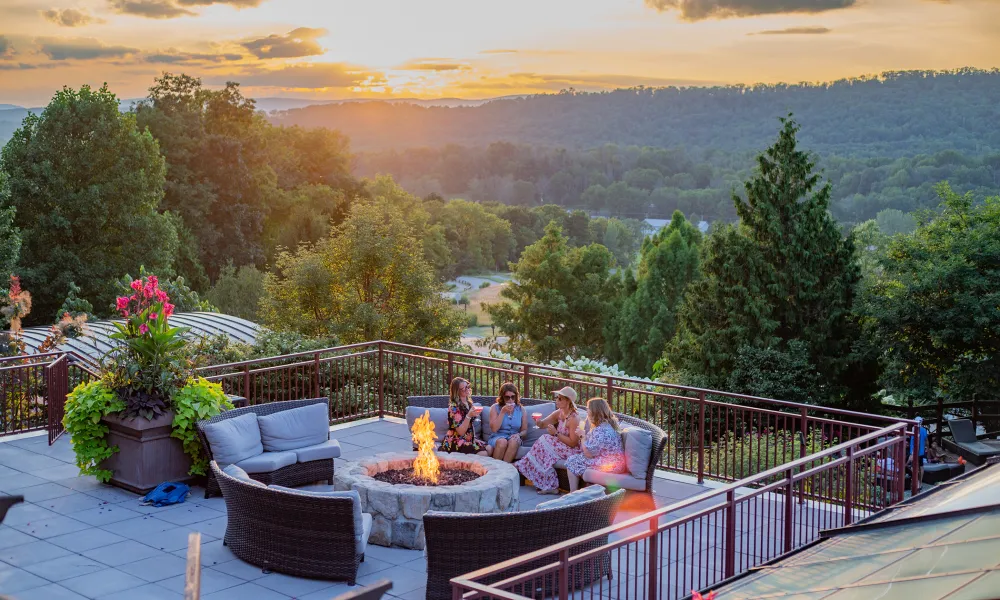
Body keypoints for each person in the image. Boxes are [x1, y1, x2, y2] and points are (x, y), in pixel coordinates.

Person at [514, 386, 582, 494]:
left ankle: (527, 467)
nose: (557, 400)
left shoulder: (574, 418)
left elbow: (573, 443)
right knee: (544, 444)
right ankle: (549, 484)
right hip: (560, 446)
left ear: (568, 401)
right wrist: (538, 422)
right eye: (557, 397)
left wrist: (556, 433)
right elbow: (543, 424)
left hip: (572, 450)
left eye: (560, 398)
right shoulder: (559, 412)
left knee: (545, 440)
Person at [565, 398, 628, 491]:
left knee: (572, 461)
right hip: (615, 461)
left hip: (612, 464)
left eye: (588, 409)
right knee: (577, 458)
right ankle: (585, 490)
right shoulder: (607, 425)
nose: (587, 411)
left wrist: (582, 437)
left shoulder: (601, 430)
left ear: (594, 411)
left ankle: (572, 493)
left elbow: (589, 454)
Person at [439, 377, 490, 455]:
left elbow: (470, 425)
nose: (467, 389)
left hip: (469, 439)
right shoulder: (454, 407)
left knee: (490, 448)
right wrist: (469, 416)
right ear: (457, 391)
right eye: (464, 388)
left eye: (467, 386)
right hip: (457, 441)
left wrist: (474, 438)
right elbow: (461, 432)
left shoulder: (469, 403)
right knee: (483, 454)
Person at [488, 382, 528, 462]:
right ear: (502, 397)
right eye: (507, 397)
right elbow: (494, 429)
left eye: (513, 397)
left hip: (514, 436)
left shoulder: (521, 409)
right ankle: (495, 469)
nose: (510, 400)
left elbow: (525, 430)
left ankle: (504, 470)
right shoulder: (495, 408)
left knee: (514, 441)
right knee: (502, 442)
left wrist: (518, 435)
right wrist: (502, 412)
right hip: (498, 437)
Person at [908, 416, 929, 491]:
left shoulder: (914, 430)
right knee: (921, 466)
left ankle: (916, 482)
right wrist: (927, 449)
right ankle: (920, 483)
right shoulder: (924, 430)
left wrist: (912, 453)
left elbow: (914, 442)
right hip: (921, 452)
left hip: (915, 452)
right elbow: (926, 441)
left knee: (914, 467)